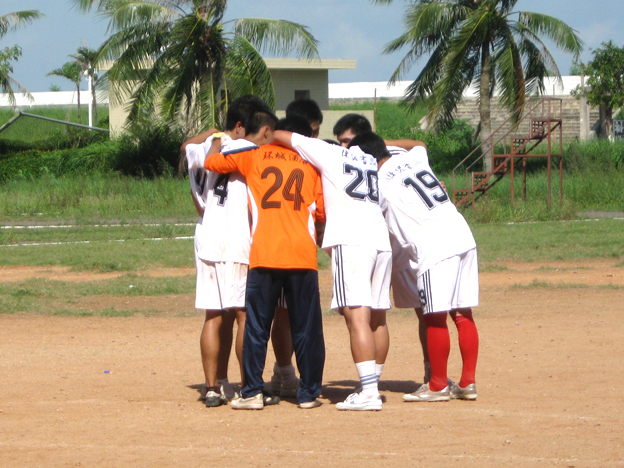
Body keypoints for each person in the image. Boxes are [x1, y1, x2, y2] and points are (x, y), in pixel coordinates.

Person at [205, 110, 326, 410]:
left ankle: (252, 392)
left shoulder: (254, 156)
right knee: (306, 328)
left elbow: (212, 162)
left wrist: (217, 138)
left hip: (264, 253)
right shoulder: (312, 165)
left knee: (257, 326)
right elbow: (321, 213)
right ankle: (308, 393)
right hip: (301, 255)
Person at [272, 129, 392, 411]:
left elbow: (282, 135)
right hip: (381, 241)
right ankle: (371, 385)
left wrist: (269, 138)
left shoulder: (332, 153)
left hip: (352, 243)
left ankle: (369, 393)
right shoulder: (371, 164)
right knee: (377, 318)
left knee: (357, 318)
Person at [372, 133, 480, 402]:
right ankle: (467, 383)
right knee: (462, 313)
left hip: (434, 246)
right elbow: (419, 144)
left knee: (434, 317)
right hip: (462, 234)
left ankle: (438, 385)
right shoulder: (414, 159)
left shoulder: (380, 182)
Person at [181, 95, 272, 407]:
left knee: (214, 315)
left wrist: (213, 134)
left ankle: (212, 386)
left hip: (208, 234)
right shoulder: (251, 151)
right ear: (243, 127)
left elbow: (186, 147)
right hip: (238, 239)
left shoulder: (209, 146)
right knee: (244, 315)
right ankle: (249, 386)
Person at [332, 113, 433, 385]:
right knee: (368, 315)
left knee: (424, 311)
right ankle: (371, 380)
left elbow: (419, 145)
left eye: (348, 141)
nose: (344, 148)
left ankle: (431, 371)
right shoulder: (346, 164)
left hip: (401, 247)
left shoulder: (386, 158)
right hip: (374, 246)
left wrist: (378, 142)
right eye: (340, 142)